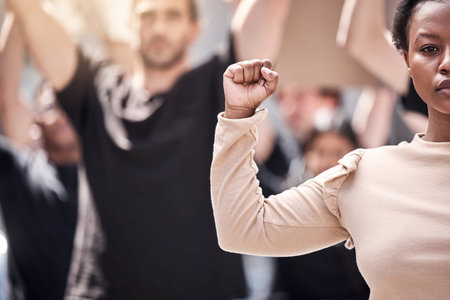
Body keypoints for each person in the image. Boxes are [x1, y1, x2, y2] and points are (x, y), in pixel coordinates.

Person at [4, 0, 291, 299]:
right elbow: (27, 10)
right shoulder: (98, 93)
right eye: (147, 16)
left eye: (172, 15)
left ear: (195, 30)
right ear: (131, 26)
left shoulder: (222, 89)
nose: (159, 27)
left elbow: (271, 9)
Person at [210, 0, 450, 299]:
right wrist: (238, 116)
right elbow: (243, 229)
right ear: (406, 64)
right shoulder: (367, 176)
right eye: (429, 48)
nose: (446, 62)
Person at [0, 13, 79, 300]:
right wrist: (21, 11)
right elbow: (5, 97)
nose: (60, 113)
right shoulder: (18, 171)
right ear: (34, 119)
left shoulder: (110, 169)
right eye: (49, 105)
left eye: (67, 103)